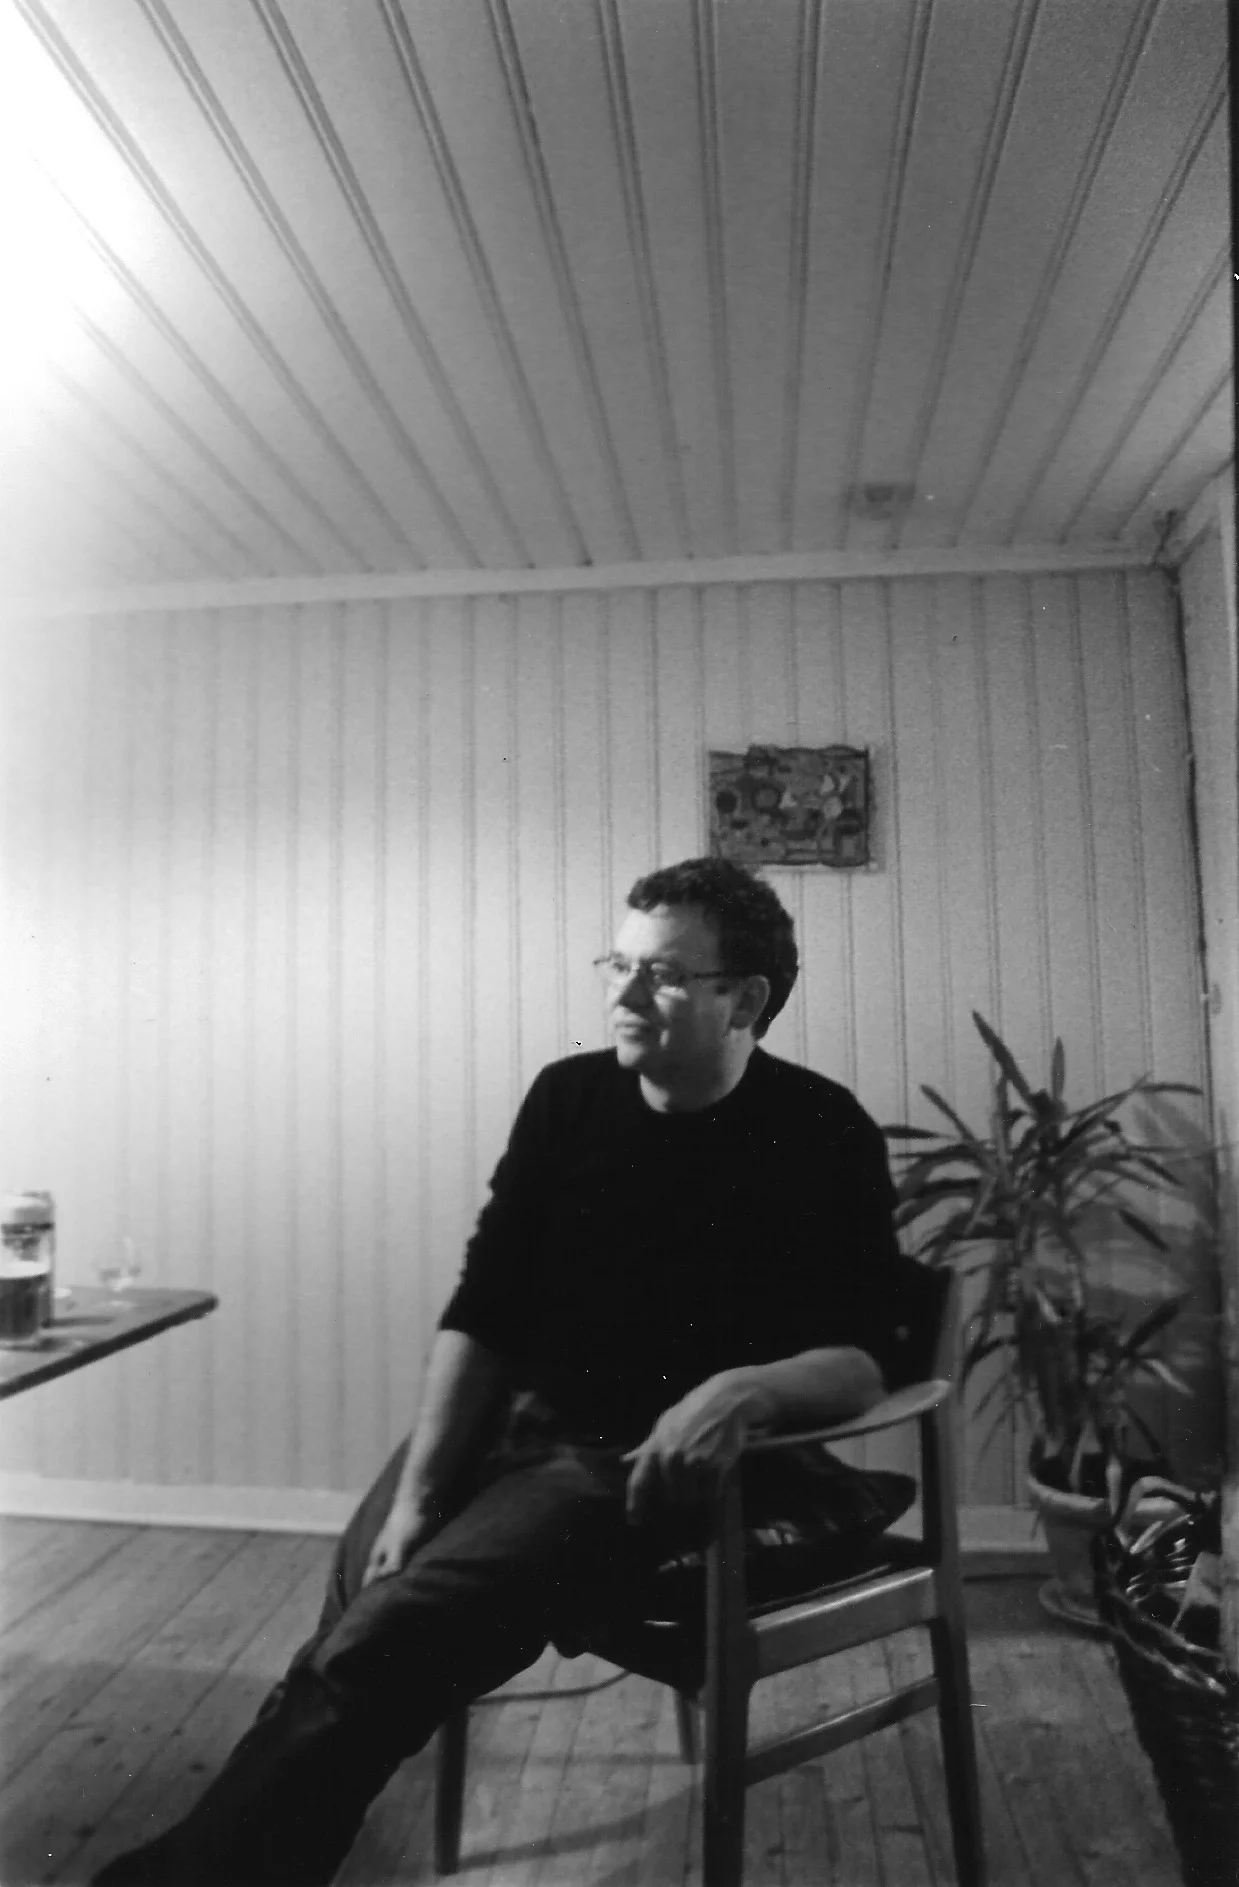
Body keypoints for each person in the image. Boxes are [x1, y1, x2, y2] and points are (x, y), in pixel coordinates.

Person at [96, 856, 919, 1886]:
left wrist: (739, 1389)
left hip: (636, 1465)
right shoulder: (569, 1098)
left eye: (663, 974)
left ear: (745, 1000)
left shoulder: (818, 1128)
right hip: (514, 1431)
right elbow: (484, 1307)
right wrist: (420, 1494)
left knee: (373, 1650)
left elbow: (863, 1359)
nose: (623, 994)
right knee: (355, 1626)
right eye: (617, 964)